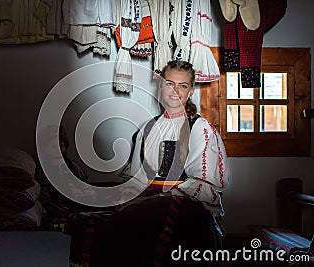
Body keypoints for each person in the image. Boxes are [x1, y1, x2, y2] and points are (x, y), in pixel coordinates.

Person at [71, 60, 230, 267]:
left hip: (184, 204)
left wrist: (152, 201)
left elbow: (203, 185)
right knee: (90, 221)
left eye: (182, 86)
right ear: (161, 86)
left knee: (139, 219)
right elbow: (136, 179)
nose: (175, 91)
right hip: (148, 199)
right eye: (169, 84)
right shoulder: (148, 128)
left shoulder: (200, 129)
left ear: (190, 91)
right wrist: (128, 199)